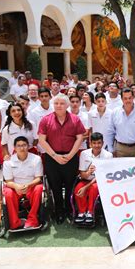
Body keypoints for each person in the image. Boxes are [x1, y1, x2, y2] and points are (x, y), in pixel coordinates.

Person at [38, 93, 85, 224]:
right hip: (52, 158)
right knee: (55, 186)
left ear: (67, 105)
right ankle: (59, 211)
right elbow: (42, 140)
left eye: (62, 103)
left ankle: (70, 210)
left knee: (71, 185)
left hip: (71, 157)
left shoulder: (75, 119)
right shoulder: (45, 120)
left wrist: (70, 155)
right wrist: (55, 156)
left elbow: (80, 138)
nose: (59, 106)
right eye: (56, 103)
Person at [2, 136, 43, 229]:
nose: (21, 148)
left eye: (24, 145)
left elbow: (38, 178)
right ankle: (15, 222)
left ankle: (32, 220)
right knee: (7, 193)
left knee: (39, 188)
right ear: (15, 148)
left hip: (31, 185)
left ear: (28, 146)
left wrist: (29, 185)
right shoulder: (8, 162)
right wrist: (16, 186)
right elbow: (8, 181)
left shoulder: (36, 159)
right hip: (14, 187)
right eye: (19, 146)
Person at [74, 132, 113, 225]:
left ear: (103, 143)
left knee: (93, 188)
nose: (97, 145)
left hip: (100, 182)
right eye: (94, 143)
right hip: (86, 179)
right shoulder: (84, 154)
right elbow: (82, 174)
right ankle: (81, 212)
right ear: (90, 143)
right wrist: (88, 172)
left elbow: (104, 176)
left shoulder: (108, 155)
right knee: (78, 188)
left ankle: (90, 213)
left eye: (99, 143)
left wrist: (86, 187)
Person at [106, 88, 135, 158]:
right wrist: (110, 150)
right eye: (125, 98)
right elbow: (110, 132)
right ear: (121, 99)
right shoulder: (115, 112)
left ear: (133, 98)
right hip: (120, 149)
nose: (128, 100)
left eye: (130, 98)